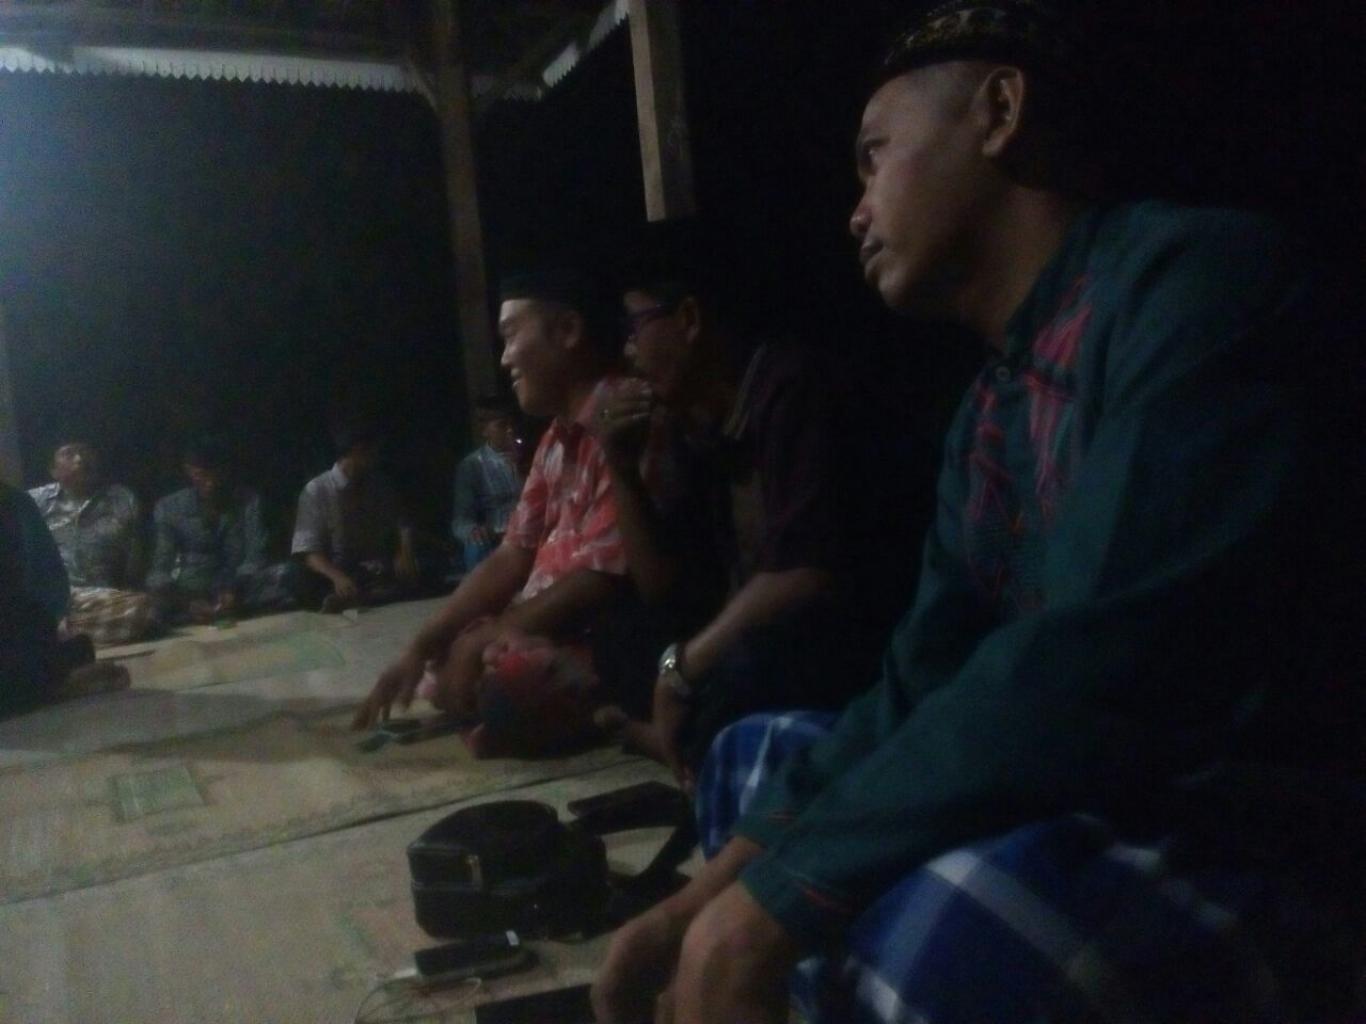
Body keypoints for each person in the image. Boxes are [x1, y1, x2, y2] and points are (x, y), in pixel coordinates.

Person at [592, 4, 1363, 1023]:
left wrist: (776, 905)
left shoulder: (1196, 283)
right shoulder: (991, 406)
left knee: (944, 942)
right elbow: (921, 679)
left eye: (875, 157)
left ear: (999, 112)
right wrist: (704, 904)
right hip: (1081, 789)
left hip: (1246, 834)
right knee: (755, 753)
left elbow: (1098, 662)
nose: (855, 212)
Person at [594, 262, 911, 785]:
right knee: (620, 636)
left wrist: (680, 671)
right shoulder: (694, 422)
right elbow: (662, 589)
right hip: (757, 628)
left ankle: (684, 747)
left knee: (744, 669)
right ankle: (688, 741)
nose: (627, 352)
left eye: (633, 329)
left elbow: (805, 575)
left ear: (689, 319)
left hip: (846, 634)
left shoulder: (792, 385)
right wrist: (621, 469)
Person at [352, 271, 655, 755]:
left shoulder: (619, 416)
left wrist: (492, 635)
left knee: (511, 683)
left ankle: (590, 706)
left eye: (512, 335)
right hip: (537, 630)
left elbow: (601, 577)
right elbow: (512, 554)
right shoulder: (555, 439)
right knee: (454, 658)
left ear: (567, 331)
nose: (505, 358)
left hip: (593, 635)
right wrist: (423, 645)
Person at [1, 480, 129, 716]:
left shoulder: (14, 503)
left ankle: (53, 675)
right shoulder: (16, 502)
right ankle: (56, 680)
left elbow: (45, 582)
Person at [147, 435, 296, 623]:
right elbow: (160, 570)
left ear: (225, 471)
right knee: (153, 601)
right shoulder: (169, 507)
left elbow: (255, 556)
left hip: (239, 586)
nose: (211, 484)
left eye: (216, 475)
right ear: (189, 471)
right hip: (190, 591)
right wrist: (186, 602)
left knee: (288, 574)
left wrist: (234, 589)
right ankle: (193, 613)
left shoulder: (248, 501)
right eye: (202, 475)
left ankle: (229, 609)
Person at [28, 441, 155, 646]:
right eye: (69, 454)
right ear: (53, 470)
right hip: (55, 595)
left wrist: (128, 591)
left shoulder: (122, 498)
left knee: (148, 608)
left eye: (85, 452)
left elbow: (135, 556)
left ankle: (55, 632)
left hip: (105, 597)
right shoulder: (35, 501)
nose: (80, 459)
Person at [291, 421, 418, 612]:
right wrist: (337, 577)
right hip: (338, 568)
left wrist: (405, 551)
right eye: (372, 452)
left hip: (376, 565)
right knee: (297, 578)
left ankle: (367, 593)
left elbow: (402, 522)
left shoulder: (379, 484)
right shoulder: (316, 490)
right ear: (358, 451)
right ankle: (362, 594)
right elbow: (308, 552)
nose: (376, 458)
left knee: (427, 563)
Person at [451, 397, 524, 573]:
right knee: (476, 548)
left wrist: (520, 468)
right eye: (502, 426)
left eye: (512, 425)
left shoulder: (531, 457)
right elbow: (462, 517)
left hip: (529, 529)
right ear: (485, 430)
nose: (510, 431)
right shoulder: (473, 465)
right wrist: (473, 530)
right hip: (496, 535)